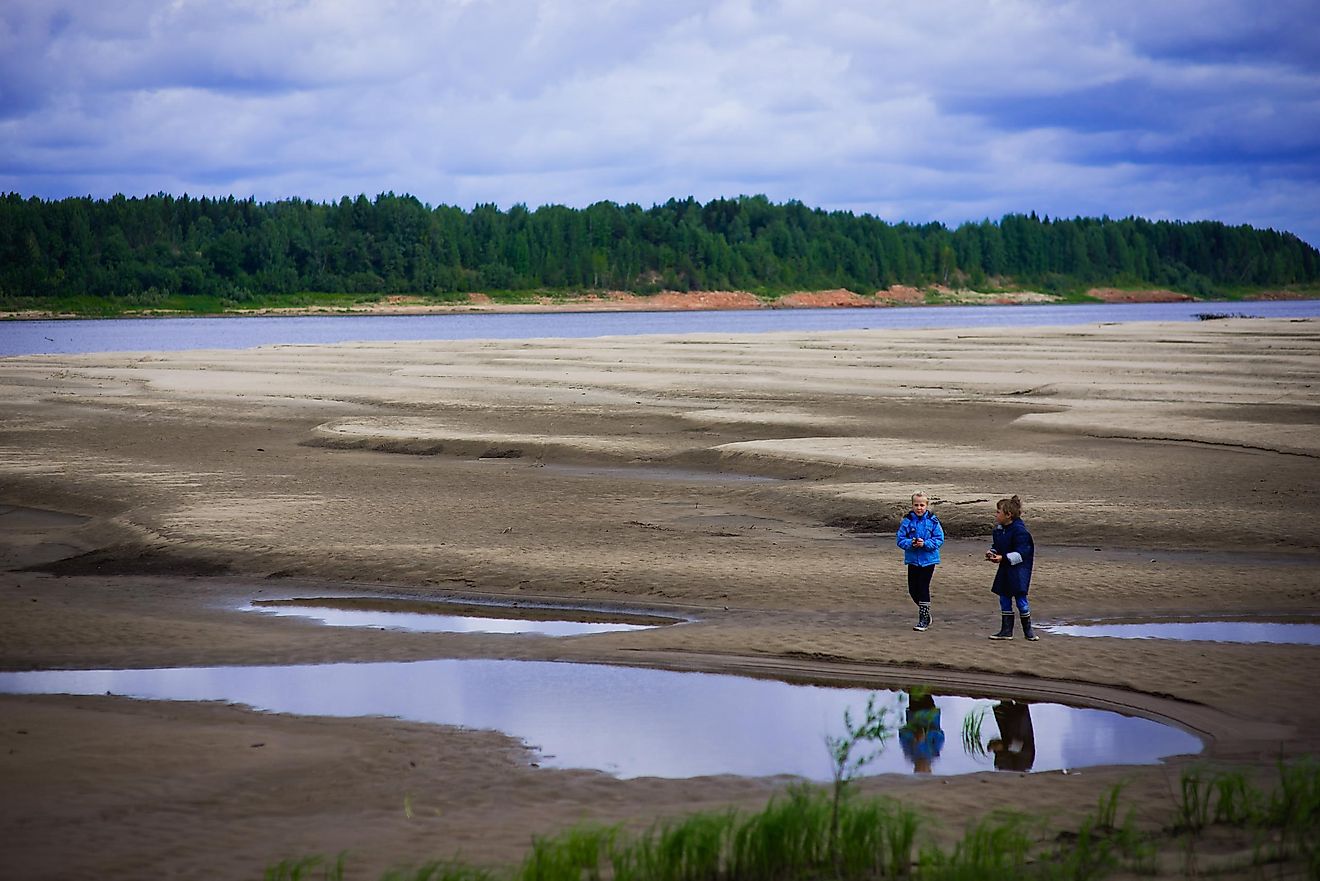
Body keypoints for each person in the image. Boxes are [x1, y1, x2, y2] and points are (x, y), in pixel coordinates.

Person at [985, 494, 1038, 640]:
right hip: (1005, 568)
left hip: (1019, 570)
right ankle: (1006, 631)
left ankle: (1029, 632)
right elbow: (998, 546)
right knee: (1004, 598)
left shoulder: (1020, 531)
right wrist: (993, 552)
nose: (996, 514)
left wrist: (1003, 558)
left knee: (1021, 600)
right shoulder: (1000, 530)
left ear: (1008, 515)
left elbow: (1023, 553)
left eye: (998, 512)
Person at [895, 491, 944, 631]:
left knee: (923, 587)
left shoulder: (933, 521)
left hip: (929, 560)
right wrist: (911, 542)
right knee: (912, 589)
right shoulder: (907, 521)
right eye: (916, 505)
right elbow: (900, 540)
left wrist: (925, 544)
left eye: (922, 505)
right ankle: (926, 613)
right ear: (912, 505)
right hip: (912, 560)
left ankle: (923, 619)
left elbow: (939, 539)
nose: (919, 508)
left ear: (927, 505)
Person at [898, 689, 945, 774]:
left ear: (914, 768)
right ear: (930, 769)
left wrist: (915, 737)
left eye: (918, 769)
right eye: (924, 769)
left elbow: (902, 733)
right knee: (925, 691)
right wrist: (925, 735)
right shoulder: (934, 753)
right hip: (930, 714)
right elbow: (941, 735)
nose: (922, 767)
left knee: (914, 690)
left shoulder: (910, 753)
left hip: (914, 713)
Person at [988, 700, 1035, 771]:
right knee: (1019, 706)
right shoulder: (1022, 763)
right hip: (1021, 743)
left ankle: (1007, 702)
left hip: (1017, 742)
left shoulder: (1006, 765)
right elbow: (1020, 746)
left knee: (1013, 708)